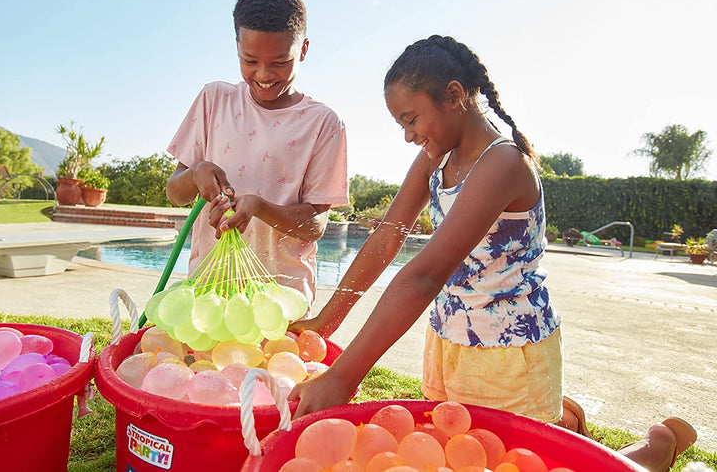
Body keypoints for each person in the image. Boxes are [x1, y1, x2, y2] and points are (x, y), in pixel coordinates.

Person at [289, 35, 696, 472]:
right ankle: (563, 419)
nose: (408, 136)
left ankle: (656, 447)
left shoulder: (504, 164)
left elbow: (424, 275)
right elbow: (387, 239)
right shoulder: (435, 159)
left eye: (411, 119)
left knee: (520, 464)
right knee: (462, 458)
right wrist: (325, 321)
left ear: (454, 95)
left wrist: (344, 377)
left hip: (510, 352)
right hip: (449, 339)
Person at [165, 0, 349, 306]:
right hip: (210, 297)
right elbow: (174, 192)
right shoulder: (214, 100)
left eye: (280, 62)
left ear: (303, 49)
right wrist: (195, 174)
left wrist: (262, 208)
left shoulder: (324, 124)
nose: (263, 74)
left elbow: (316, 224)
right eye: (249, 60)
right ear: (236, 47)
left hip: (281, 303)